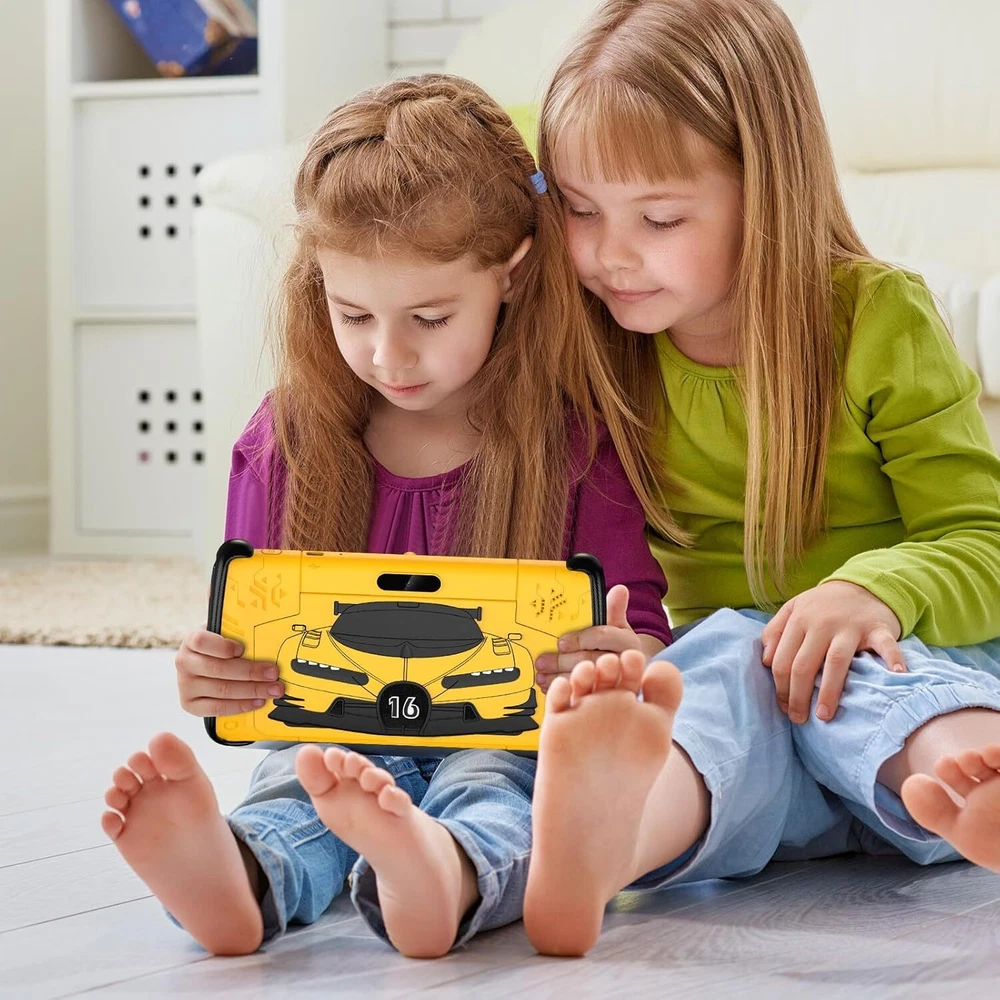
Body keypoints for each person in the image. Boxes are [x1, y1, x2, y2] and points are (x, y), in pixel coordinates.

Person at [99, 75, 676, 959]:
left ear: (514, 274)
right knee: (298, 785)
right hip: (334, 729)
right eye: (354, 313)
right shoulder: (283, 444)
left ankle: (442, 869)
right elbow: (254, 629)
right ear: (318, 282)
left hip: (502, 731)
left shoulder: (575, 447)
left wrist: (616, 661)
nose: (387, 354)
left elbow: (643, 640)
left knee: (497, 787)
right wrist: (214, 672)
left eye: (430, 318)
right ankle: (239, 875)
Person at [523, 0, 1000, 957]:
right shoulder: (599, 349)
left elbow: (984, 540)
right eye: (578, 208)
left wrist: (871, 593)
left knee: (838, 671)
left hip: (904, 681)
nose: (610, 253)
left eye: (659, 217)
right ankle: (600, 850)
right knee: (705, 681)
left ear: (766, 190)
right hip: (757, 745)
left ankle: (976, 779)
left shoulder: (876, 319)